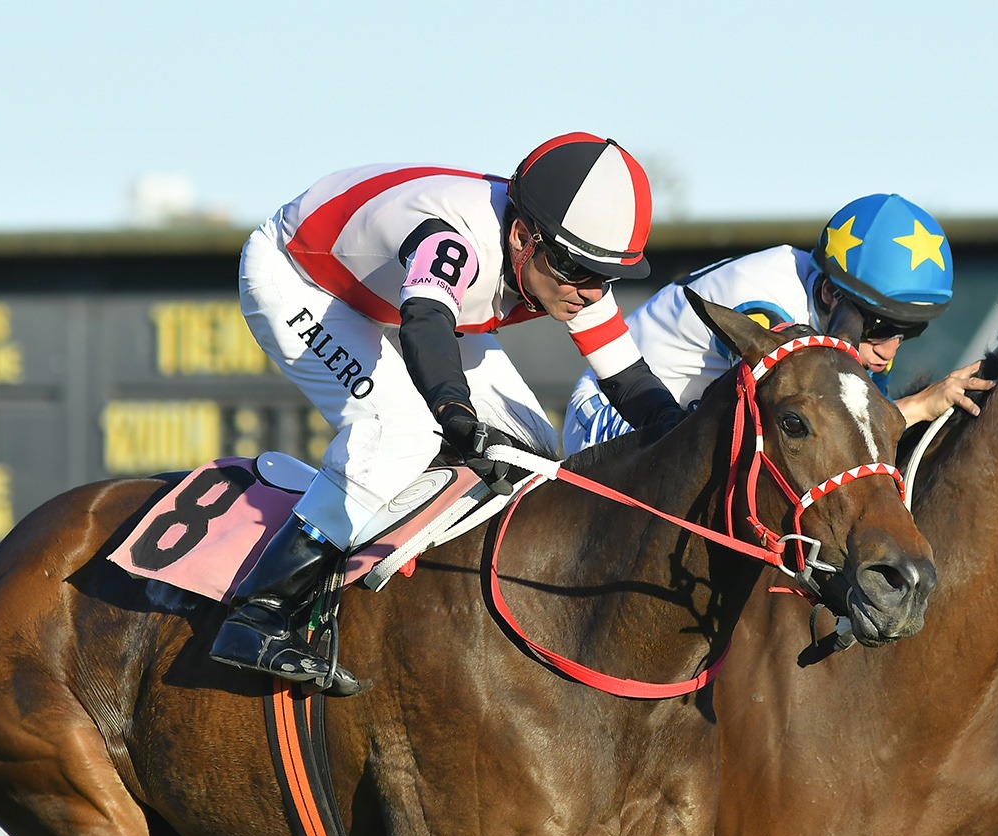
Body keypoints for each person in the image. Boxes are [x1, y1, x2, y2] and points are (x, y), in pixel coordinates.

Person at [211, 132, 683, 683]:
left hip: (400, 291)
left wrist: (691, 436)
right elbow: (426, 326)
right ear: (522, 237)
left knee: (534, 448)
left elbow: (629, 381)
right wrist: (453, 412)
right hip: (301, 278)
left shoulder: (565, 258)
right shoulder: (454, 239)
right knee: (401, 431)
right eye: (577, 271)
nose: (590, 292)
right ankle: (259, 612)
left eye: (604, 276)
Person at [563, 193, 993, 455]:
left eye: (907, 332)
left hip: (686, 415)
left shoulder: (854, 314)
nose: (889, 349)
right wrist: (920, 406)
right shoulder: (765, 304)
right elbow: (822, 435)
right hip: (610, 409)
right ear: (830, 293)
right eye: (879, 327)